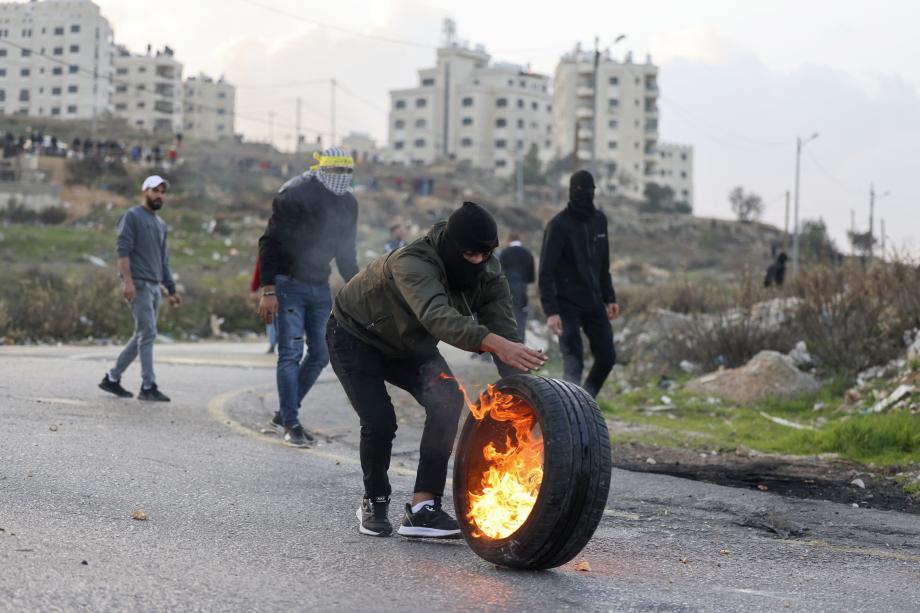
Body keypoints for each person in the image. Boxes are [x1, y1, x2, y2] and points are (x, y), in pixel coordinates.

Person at [328, 201, 546, 539]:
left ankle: (422, 508)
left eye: (484, 255)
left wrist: (524, 392)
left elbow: (503, 329)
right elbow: (437, 317)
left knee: (447, 400)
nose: (477, 262)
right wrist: (493, 344)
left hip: (409, 344)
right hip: (356, 336)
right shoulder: (412, 262)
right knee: (380, 420)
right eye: (470, 255)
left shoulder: (489, 269)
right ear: (451, 247)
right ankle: (374, 500)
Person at [258, 147, 359, 447]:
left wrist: (359, 288)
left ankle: (285, 413)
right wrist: (268, 289)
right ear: (322, 169)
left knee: (321, 354)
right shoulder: (295, 194)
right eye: (336, 171)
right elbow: (269, 242)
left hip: (319, 285)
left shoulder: (348, 204)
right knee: (290, 353)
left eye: (347, 172)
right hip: (288, 283)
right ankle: (291, 422)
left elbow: (345, 253)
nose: (341, 177)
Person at [98, 175, 181, 401]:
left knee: (142, 334)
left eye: (162, 192)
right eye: (155, 190)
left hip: (155, 287)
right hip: (139, 285)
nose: (159, 195)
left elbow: (164, 262)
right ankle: (148, 386)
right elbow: (122, 252)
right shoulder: (132, 216)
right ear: (145, 191)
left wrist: (171, 291)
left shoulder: (161, 225)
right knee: (148, 333)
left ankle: (112, 379)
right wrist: (127, 282)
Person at [538, 170, 619, 398]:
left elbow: (604, 264)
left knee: (607, 357)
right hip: (566, 305)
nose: (585, 196)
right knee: (573, 363)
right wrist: (551, 311)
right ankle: (568, 409)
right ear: (571, 193)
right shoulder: (558, 226)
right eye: (579, 191)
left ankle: (585, 401)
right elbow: (545, 272)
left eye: (589, 191)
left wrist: (609, 297)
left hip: (594, 302)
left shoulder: (599, 221)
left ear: (594, 192)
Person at [499, 233, 535, 343]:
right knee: (520, 316)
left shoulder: (504, 253)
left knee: (504, 316)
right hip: (521, 289)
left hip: (506, 288)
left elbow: (499, 272)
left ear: (509, 240)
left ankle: (506, 343)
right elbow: (531, 277)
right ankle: (520, 343)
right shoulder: (527, 254)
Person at [249, 255, 276, 353]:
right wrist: (254, 288)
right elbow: (260, 266)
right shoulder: (267, 244)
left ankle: (276, 343)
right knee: (270, 315)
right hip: (272, 286)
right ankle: (273, 343)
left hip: (287, 285)